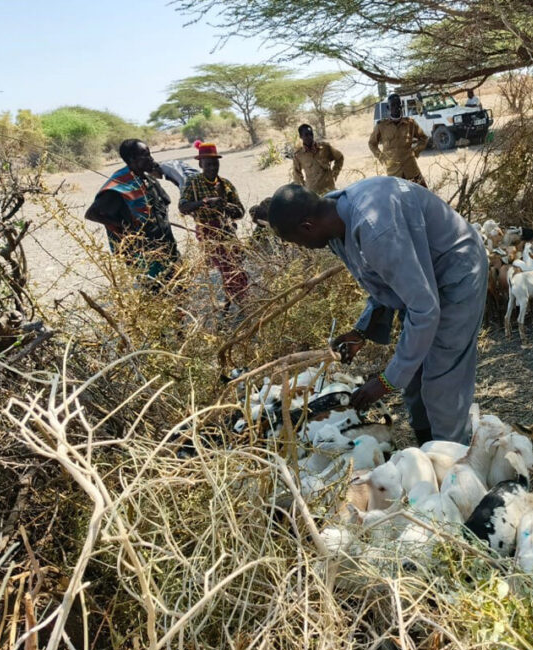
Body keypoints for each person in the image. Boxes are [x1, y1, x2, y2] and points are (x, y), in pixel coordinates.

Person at [266, 178, 488, 444]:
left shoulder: (375, 228)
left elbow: (425, 309)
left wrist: (386, 381)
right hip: (423, 284)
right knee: (414, 380)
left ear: (307, 226)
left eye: (298, 242)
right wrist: (363, 330)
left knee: (442, 382)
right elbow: (383, 283)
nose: (303, 248)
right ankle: (428, 450)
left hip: (455, 272)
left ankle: (454, 466)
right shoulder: (334, 224)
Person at [85, 139, 180, 291]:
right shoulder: (121, 185)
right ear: (131, 159)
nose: (150, 158)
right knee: (159, 293)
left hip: (167, 246)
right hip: (146, 254)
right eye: (145, 155)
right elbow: (92, 214)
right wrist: (125, 227)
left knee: (179, 287)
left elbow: (161, 205)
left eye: (149, 154)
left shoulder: (147, 179)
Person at [178, 142, 249, 308]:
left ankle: (235, 300)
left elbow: (240, 212)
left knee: (236, 265)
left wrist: (225, 205)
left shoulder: (226, 185)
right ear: (200, 164)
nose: (212, 167)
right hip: (207, 231)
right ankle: (241, 302)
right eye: (208, 164)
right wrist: (204, 202)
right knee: (228, 267)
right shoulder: (193, 183)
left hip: (228, 230)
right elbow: (183, 207)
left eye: (215, 163)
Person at [368, 93, 430, 187]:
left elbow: (424, 138)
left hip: (411, 169)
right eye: (393, 105)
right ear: (388, 108)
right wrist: (381, 157)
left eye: (398, 104)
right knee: (401, 196)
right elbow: (372, 143)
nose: (396, 107)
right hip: (394, 171)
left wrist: (415, 152)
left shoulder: (410, 123)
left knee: (423, 193)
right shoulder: (382, 126)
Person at [291, 123, 344, 195]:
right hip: (313, 193)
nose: (309, 137)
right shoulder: (299, 155)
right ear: (301, 136)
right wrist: (303, 187)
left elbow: (340, 157)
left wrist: (334, 173)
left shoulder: (325, 147)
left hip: (329, 189)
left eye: (311, 134)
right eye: (306, 135)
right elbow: (296, 173)